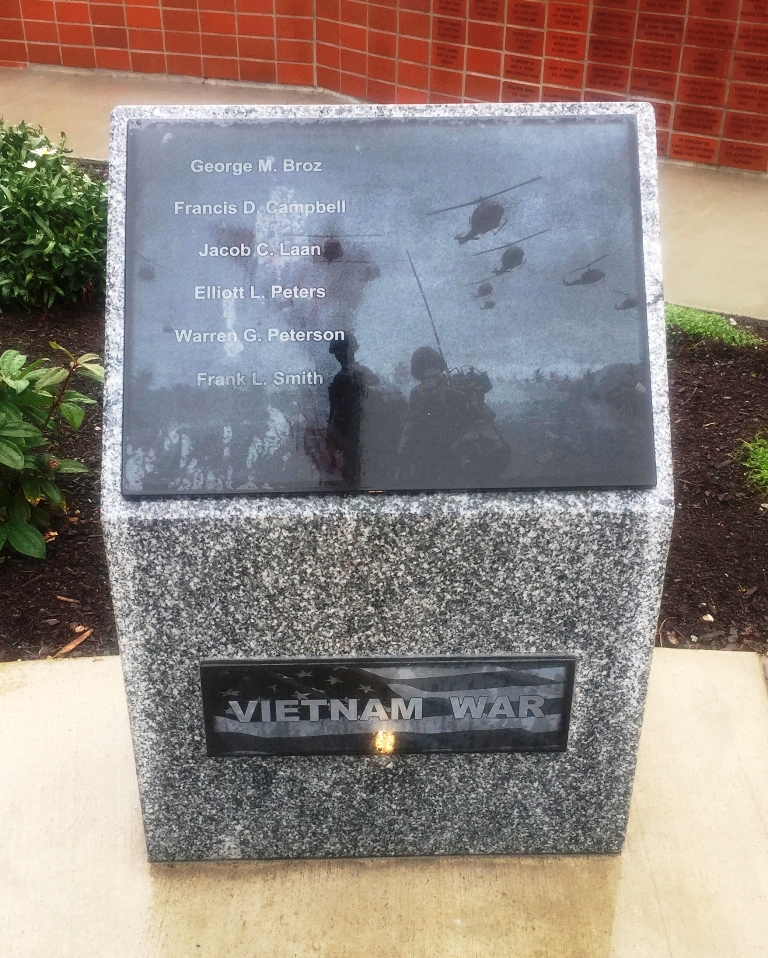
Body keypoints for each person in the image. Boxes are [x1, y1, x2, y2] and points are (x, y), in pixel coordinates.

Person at [398, 346, 511, 487]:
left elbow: (410, 428)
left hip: (444, 456)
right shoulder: (461, 385)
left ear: (418, 370)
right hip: (477, 449)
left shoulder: (419, 392)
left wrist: (402, 453)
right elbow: (486, 414)